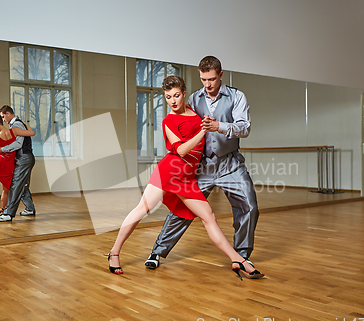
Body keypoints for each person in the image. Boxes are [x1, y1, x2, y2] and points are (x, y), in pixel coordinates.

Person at [106, 75, 263, 280]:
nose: (173, 100)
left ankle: (239, 259)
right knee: (141, 210)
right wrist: (202, 132)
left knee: (209, 217)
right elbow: (181, 150)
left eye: (176, 95)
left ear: (184, 93)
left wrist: (211, 125)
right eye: (168, 97)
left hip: (188, 178)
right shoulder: (168, 121)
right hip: (169, 172)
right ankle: (114, 252)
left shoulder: (195, 111)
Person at [145, 56, 260, 274]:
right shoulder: (194, 99)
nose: (207, 84)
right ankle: (157, 252)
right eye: (203, 79)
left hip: (231, 164)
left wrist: (219, 126)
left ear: (221, 75)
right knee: (183, 210)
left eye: (212, 79)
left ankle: (241, 257)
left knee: (250, 206)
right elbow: (178, 121)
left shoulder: (236, 96)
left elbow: (245, 128)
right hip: (201, 166)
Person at [0, 105, 36, 222]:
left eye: (3, 117)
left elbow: (18, 144)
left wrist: (3, 149)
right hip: (26, 158)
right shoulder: (15, 125)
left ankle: (8, 213)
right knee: (23, 184)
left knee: (15, 184)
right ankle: (30, 208)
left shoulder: (16, 125)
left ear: (8, 113)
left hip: (24, 158)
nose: (3, 120)